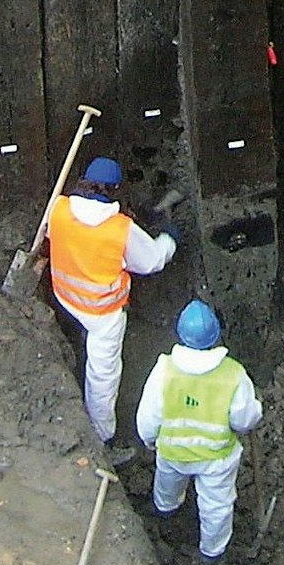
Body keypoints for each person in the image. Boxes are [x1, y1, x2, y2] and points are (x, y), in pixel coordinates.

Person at [47, 156, 176, 461]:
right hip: (101, 314)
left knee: (86, 344)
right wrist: (170, 239)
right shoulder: (120, 228)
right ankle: (103, 437)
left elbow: (54, 236)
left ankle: (76, 344)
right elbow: (152, 261)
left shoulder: (60, 208)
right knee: (103, 374)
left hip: (65, 296)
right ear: (115, 190)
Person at [137, 299, 264, 565]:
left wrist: (149, 440)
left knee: (167, 485)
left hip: (173, 452)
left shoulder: (164, 370)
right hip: (216, 459)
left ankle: (166, 514)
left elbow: (148, 416)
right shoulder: (233, 374)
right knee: (217, 506)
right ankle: (212, 553)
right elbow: (243, 421)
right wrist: (256, 411)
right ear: (216, 336)